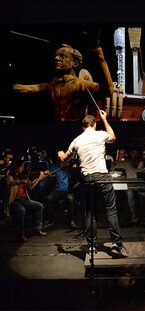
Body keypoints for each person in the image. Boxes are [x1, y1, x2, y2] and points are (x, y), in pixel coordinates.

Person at [58, 111, 128, 257]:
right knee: (111, 210)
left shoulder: (76, 140)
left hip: (88, 180)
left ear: (83, 127)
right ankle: (117, 244)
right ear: (94, 125)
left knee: (90, 213)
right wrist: (105, 119)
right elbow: (113, 137)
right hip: (103, 177)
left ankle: (91, 247)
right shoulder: (100, 134)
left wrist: (60, 154)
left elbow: (64, 158)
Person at [13, 43, 114, 121]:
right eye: (56, 56)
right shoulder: (51, 85)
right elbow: (26, 89)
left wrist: (101, 58)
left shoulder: (81, 85)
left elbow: (108, 91)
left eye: (62, 56)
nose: (56, 58)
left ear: (74, 62)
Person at [5, 159, 46, 242]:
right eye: (21, 166)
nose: (22, 168)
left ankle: (37, 228)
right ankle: (21, 233)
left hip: (24, 200)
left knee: (39, 206)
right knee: (21, 210)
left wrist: (39, 178)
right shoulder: (10, 177)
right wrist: (20, 182)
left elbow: (30, 186)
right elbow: (10, 183)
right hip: (14, 201)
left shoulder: (23, 176)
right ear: (17, 167)